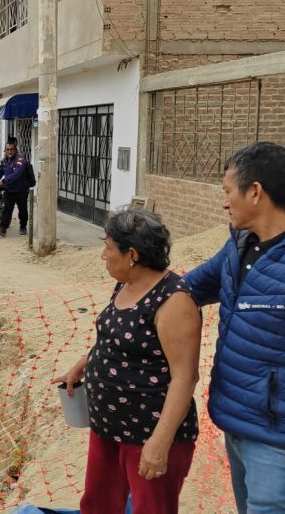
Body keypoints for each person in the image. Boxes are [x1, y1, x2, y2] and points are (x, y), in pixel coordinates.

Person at [53, 208, 202, 514]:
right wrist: (84, 363)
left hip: (148, 434)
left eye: (108, 247)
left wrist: (159, 445)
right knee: (99, 505)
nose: (103, 255)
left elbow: (184, 378)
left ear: (132, 254)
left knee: (150, 508)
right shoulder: (125, 284)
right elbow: (117, 340)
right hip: (108, 427)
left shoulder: (174, 301)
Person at [184, 141, 285, 514]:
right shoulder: (237, 247)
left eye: (228, 191)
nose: (224, 202)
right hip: (236, 423)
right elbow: (185, 291)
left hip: (278, 443)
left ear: (256, 192)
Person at [0, 138, 29, 236]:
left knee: (22, 211)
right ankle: (3, 229)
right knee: (7, 209)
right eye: (7, 149)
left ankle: (23, 227)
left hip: (21, 190)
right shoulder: (3, 162)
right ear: (5, 151)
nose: (9, 151)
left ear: (15, 150)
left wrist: (4, 181)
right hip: (9, 190)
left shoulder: (20, 161)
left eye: (11, 149)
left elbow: (16, 174)